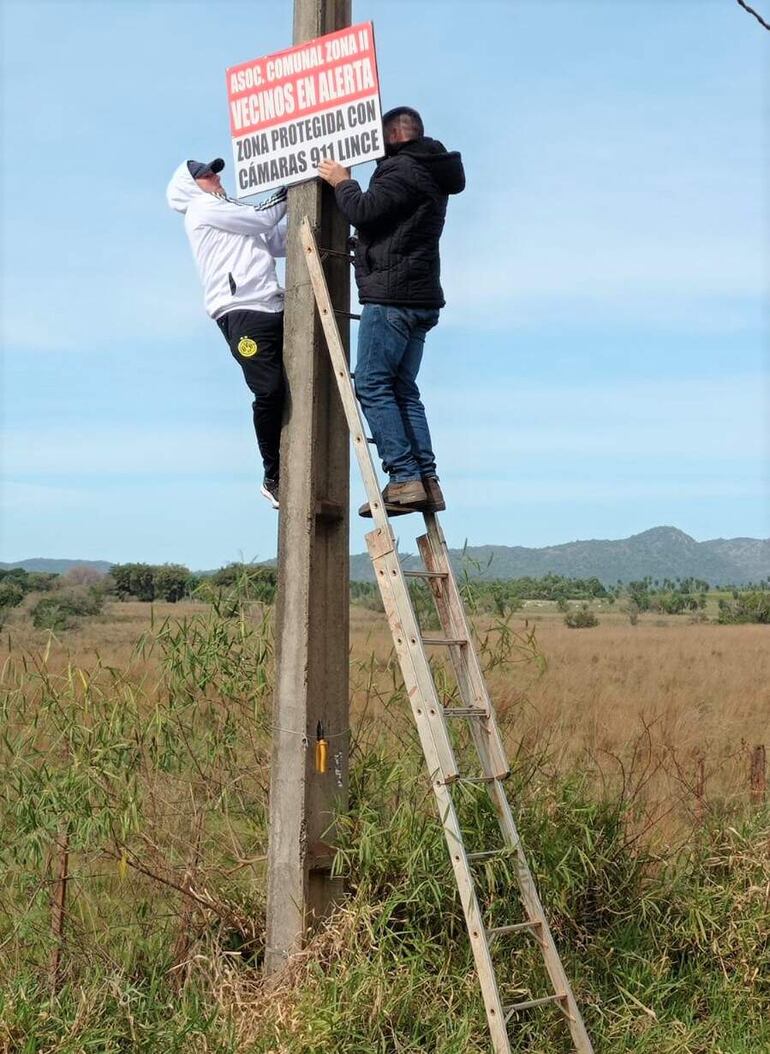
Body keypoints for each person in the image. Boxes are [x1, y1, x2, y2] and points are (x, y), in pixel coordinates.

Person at [318, 106, 465, 517]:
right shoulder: (430, 170)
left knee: (371, 384)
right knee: (403, 389)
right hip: (419, 297)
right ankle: (426, 481)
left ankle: (403, 477)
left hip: (392, 297)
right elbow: (391, 226)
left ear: (394, 136)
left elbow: (363, 211)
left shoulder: (402, 169)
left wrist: (342, 181)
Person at [166, 158, 287, 509]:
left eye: (214, 171)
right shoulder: (202, 208)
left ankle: (283, 466)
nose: (215, 176)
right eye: (206, 175)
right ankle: (272, 475)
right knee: (269, 390)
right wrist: (293, 185)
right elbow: (264, 217)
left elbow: (276, 239)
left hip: (273, 305)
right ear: (191, 186)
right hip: (240, 312)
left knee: (290, 386)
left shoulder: (230, 211)